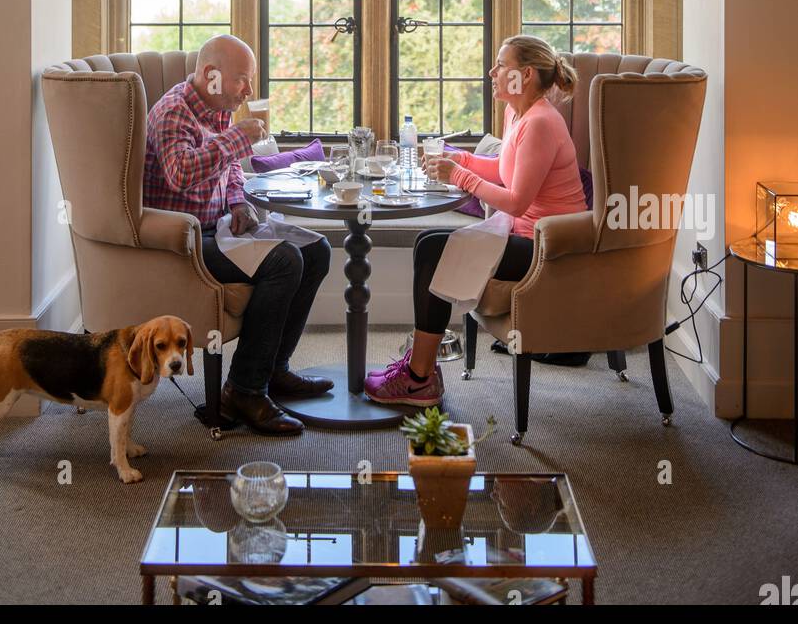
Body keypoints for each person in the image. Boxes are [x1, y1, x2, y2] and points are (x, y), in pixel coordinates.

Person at [365, 35, 587, 406]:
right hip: (524, 235)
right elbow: (505, 170)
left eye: (501, 65)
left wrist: (459, 176)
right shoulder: (517, 113)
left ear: (525, 75)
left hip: (550, 247)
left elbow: (517, 201)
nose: (491, 72)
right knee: (427, 242)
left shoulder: (541, 123)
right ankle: (421, 370)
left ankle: (419, 378)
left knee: (434, 250)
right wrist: (462, 160)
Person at [143, 34, 332, 436]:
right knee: (284, 262)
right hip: (182, 242)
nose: (248, 91)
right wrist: (239, 138)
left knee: (317, 250)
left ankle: (274, 369)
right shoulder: (174, 112)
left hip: (218, 225)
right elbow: (180, 174)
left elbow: (229, 167)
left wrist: (238, 202)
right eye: (242, 79)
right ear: (211, 75)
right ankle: (243, 390)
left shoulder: (217, 109)